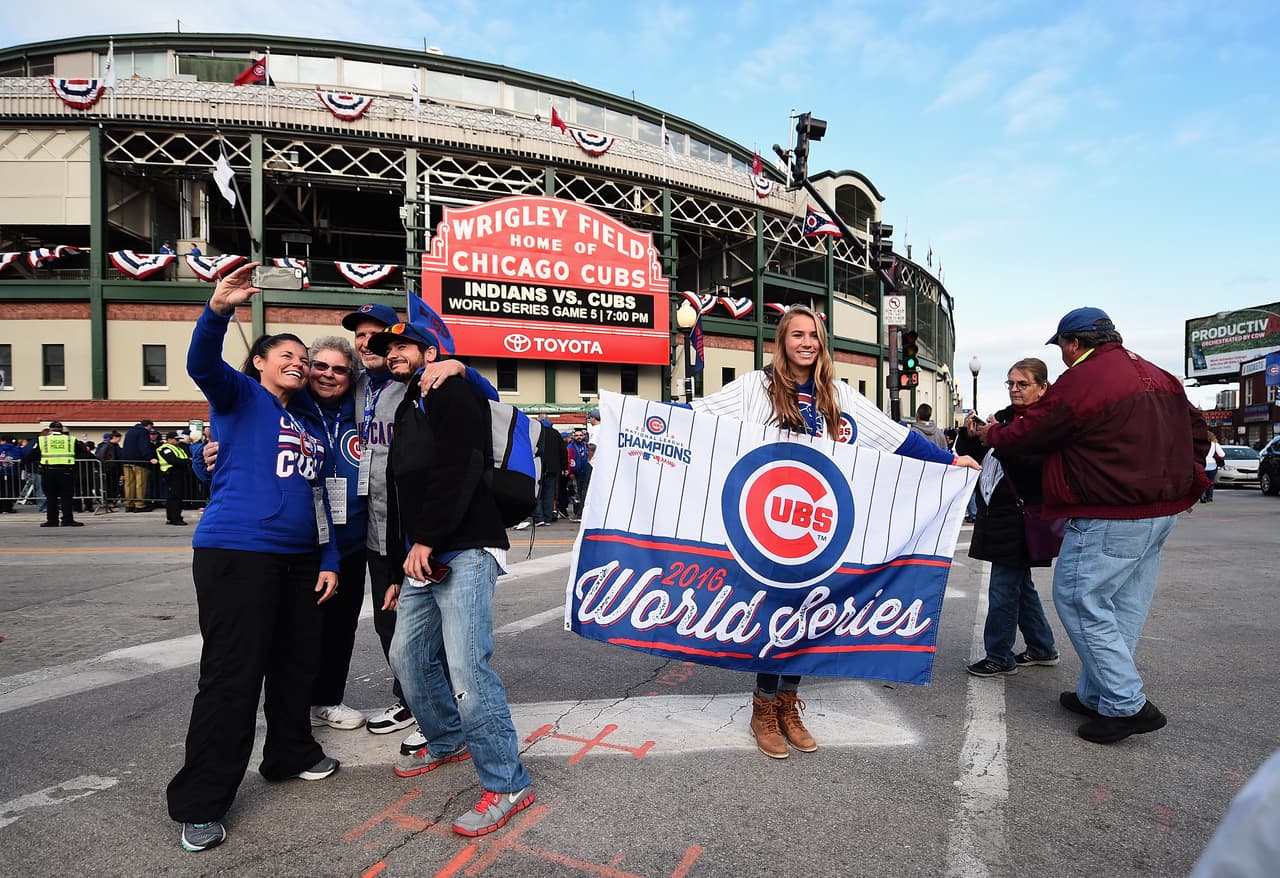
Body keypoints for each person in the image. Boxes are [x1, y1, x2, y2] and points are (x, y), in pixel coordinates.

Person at [691, 304, 980, 759]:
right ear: (782, 341)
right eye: (797, 334)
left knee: (805, 616)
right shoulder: (756, 388)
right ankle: (763, 707)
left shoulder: (837, 394)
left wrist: (948, 461)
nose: (806, 342)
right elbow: (697, 415)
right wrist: (628, 417)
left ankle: (788, 704)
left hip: (820, 527)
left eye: (814, 335)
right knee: (775, 615)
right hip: (769, 523)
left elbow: (894, 437)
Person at [972, 307, 1209, 745]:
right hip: (1158, 513)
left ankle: (1125, 704)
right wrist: (1186, 474)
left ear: (1074, 343)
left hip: (1111, 510)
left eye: (1061, 346)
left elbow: (1037, 430)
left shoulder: (1085, 377)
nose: (1062, 355)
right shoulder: (1158, 374)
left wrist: (995, 436)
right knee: (1121, 608)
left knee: (1079, 599)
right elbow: (1198, 429)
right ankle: (1097, 693)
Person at [166, 263, 341, 854]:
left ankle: (289, 753)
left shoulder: (307, 421)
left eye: (304, 356)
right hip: (237, 554)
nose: (298, 361)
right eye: (285, 353)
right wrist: (218, 310)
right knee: (232, 678)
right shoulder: (238, 395)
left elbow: (320, 497)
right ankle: (200, 801)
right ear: (260, 362)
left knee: (295, 665)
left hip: (300, 561)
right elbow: (201, 365)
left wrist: (330, 557)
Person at [375, 321, 535, 837]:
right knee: (407, 655)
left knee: (467, 667)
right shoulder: (405, 405)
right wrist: (404, 561)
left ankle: (509, 783)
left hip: (465, 546)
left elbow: (461, 466)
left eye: (402, 346)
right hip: (423, 553)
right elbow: (404, 490)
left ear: (429, 351)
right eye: (387, 349)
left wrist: (427, 538)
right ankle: (446, 739)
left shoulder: (449, 387)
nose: (393, 354)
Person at [955, 358, 1059, 677]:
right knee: (1020, 587)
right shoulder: (1002, 417)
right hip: (997, 513)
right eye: (1011, 383)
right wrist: (972, 434)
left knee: (1003, 588)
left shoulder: (1047, 423)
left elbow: (1035, 467)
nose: (1015, 389)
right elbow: (971, 453)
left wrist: (999, 439)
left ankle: (999, 655)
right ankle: (1042, 647)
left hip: (1021, 515)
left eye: (1022, 384)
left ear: (1042, 387)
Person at [295, 336, 369, 732]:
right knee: (301, 628)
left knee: (342, 627)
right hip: (306, 544)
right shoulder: (290, 407)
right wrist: (206, 464)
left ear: (350, 375)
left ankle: (326, 700)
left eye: (339, 369)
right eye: (320, 366)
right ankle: (293, 704)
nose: (328, 375)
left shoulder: (361, 412)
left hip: (353, 542)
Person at [26, 421, 87, 527]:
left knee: (51, 497)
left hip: (48, 472)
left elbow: (32, 455)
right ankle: (67, 520)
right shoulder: (70, 440)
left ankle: (52, 520)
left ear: (50, 430)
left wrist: (25, 463)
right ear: (62, 430)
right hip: (66, 471)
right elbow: (81, 451)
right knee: (66, 497)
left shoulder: (43, 440)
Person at [518, 419, 565, 530]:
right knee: (549, 493)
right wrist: (564, 466)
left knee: (537, 492)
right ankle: (548, 518)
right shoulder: (556, 434)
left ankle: (539, 518)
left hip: (538, 466)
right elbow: (563, 450)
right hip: (553, 467)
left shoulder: (534, 433)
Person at [156, 431, 191, 525]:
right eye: (176, 439)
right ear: (169, 439)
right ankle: (175, 518)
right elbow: (173, 460)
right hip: (171, 473)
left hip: (178, 473)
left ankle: (173, 517)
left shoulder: (178, 448)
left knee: (176, 497)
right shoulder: (165, 448)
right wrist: (187, 461)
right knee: (175, 497)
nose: (178, 441)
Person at [121, 419, 156, 511]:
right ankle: (139, 504)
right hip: (139, 461)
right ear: (148, 426)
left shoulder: (130, 432)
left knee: (128, 484)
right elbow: (144, 446)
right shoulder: (143, 432)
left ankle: (129, 504)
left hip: (126, 460)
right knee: (140, 483)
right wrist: (150, 457)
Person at [566, 428, 591, 521]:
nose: (579, 437)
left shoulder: (587, 446)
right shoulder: (570, 447)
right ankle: (577, 513)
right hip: (575, 473)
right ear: (573, 437)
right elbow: (568, 460)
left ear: (584, 436)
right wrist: (570, 472)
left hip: (586, 472)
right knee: (577, 493)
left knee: (584, 493)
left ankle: (583, 513)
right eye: (576, 435)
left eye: (580, 435)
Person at [95, 431, 123, 511]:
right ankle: (109, 502)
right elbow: (101, 456)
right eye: (119, 438)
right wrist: (107, 465)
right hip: (109, 469)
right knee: (109, 486)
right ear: (114, 438)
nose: (120, 440)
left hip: (115, 468)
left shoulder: (115, 446)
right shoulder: (108, 446)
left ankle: (111, 501)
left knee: (114, 486)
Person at [1202, 430, 1224, 503]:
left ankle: (1203, 495)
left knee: (1202, 481)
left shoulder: (1200, 444)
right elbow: (1222, 454)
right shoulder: (1215, 444)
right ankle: (1209, 497)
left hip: (1202, 464)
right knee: (1210, 482)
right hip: (1212, 464)